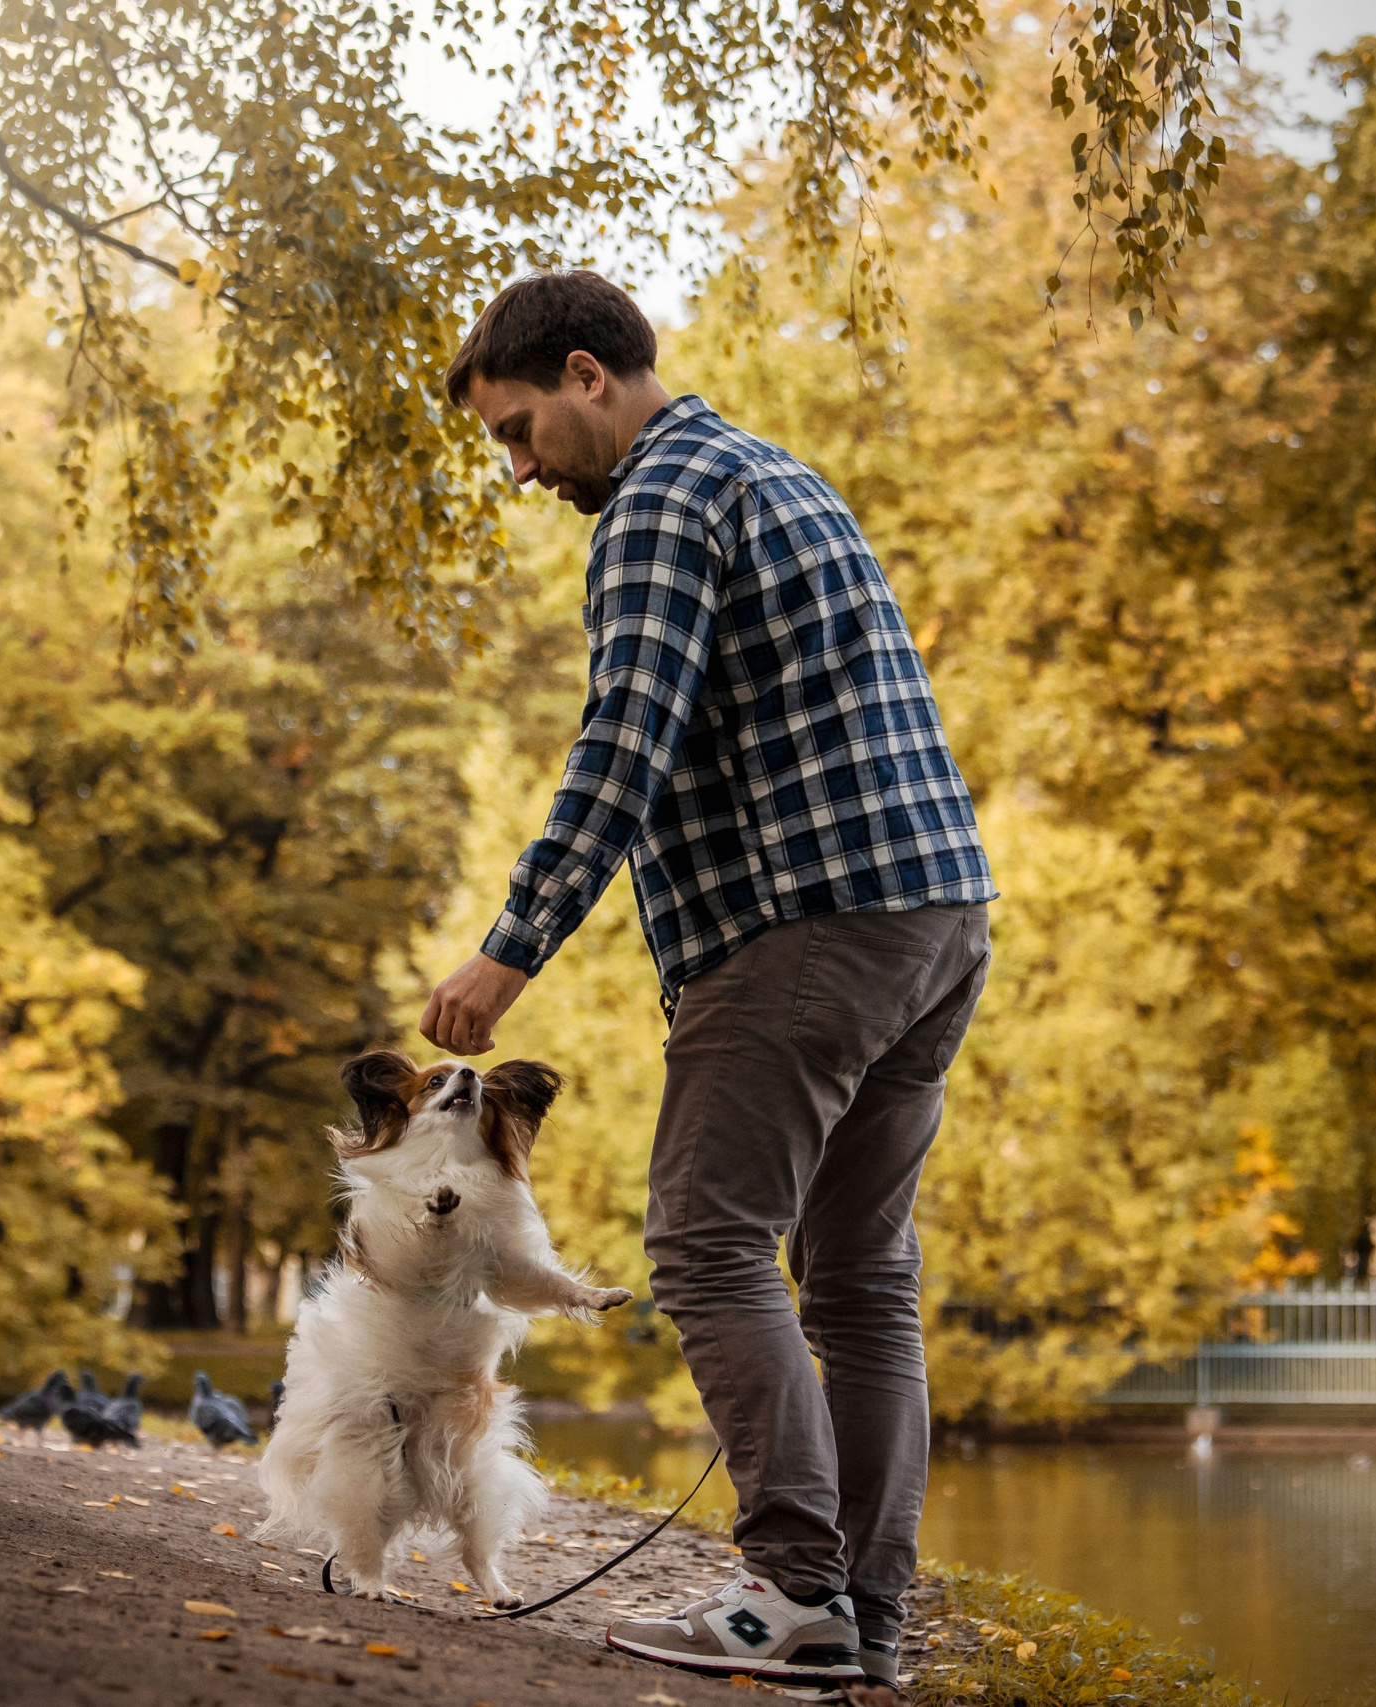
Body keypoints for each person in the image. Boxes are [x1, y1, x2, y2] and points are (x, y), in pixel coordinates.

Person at [419, 270, 995, 1691]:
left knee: (707, 1240)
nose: (518, 467)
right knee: (861, 1280)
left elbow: (628, 740)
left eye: (519, 431)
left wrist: (511, 948)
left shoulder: (661, 502)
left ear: (586, 376)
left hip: (804, 924)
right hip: (935, 917)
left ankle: (795, 1590)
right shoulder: (772, 472)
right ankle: (865, 1614)